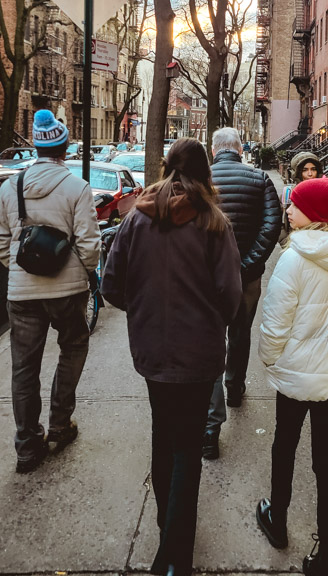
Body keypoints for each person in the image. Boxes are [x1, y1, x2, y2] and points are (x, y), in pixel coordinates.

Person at [101, 138, 242, 576]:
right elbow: (232, 296)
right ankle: (176, 553)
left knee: (164, 438)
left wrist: (143, 312)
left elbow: (110, 286)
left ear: (166, 167)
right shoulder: (214, 223)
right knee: (187, 446)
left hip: (152, 353)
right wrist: (210, 320)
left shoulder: (135, 220)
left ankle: (168, 524)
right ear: (205, 171)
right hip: (198, 354)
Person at [256, 177, 328, 576]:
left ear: (314, 213)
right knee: (326, 458)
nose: (287, 210)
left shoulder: (293, 257)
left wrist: (270, 360)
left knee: (284, 446)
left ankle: (278, 519)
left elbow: (274, 323)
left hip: (295, 375)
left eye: (295, 205)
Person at [0, 110, 101, 474]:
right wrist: (84, 273)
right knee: (73, 344)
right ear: (65, 147)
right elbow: (90, 244)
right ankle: (60, 422)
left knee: (24, 369)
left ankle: (27, 445)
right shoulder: (77, 187)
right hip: (67, 290)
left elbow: (2, 242)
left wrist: (20, 271)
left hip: (22, 295)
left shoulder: (9, 188)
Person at [203, 127, 282, 460]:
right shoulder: (260, 180)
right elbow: (271, 226)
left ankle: (210, 428)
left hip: (206, 281)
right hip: (247, 279)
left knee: (208, 343)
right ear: (238, 148)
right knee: (239, 333)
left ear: (214, 149)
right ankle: (234, 388)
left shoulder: (202, 181)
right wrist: (247, 265)